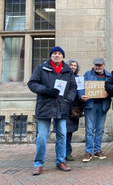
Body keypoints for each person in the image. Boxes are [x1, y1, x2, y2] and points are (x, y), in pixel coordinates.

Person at [28, 46, 77, 176]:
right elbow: (32, 83)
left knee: (62, 135)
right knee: (42, 137)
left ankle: (60, 161)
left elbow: (73, 87)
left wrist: (68, 100)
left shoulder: (67, 70)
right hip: (44, 107)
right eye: (54, 53)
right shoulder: (41, 68)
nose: (57, 55)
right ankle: (38, 164)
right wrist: (46, 90)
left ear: (63, 56)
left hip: (61, 108)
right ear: (51, 56)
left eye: (59, 53)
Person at [78, 58, 111, 162]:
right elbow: (81, 87)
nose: (98, 67)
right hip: (90, 105)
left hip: (103, 105)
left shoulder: (109, 76)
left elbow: (112, 88)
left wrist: (109, 93)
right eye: (96, 65)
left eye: (100, 65)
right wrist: (81, 96)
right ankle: (88, 151)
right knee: (90, 129)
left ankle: (97, 150)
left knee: (100, 129)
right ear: (93, 65)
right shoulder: (87, 74)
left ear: (104, 65)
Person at [65, 59, 83, 161]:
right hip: (63, 108)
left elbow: (80, 92)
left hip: (74, 109)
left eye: (75, 66)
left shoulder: (78, 79)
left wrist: (82, 98)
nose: (73, 67)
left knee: (70, 132)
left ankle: (68, 153)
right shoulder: (62, 76)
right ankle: (61, 153)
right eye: (71, 65)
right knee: (63, 132)